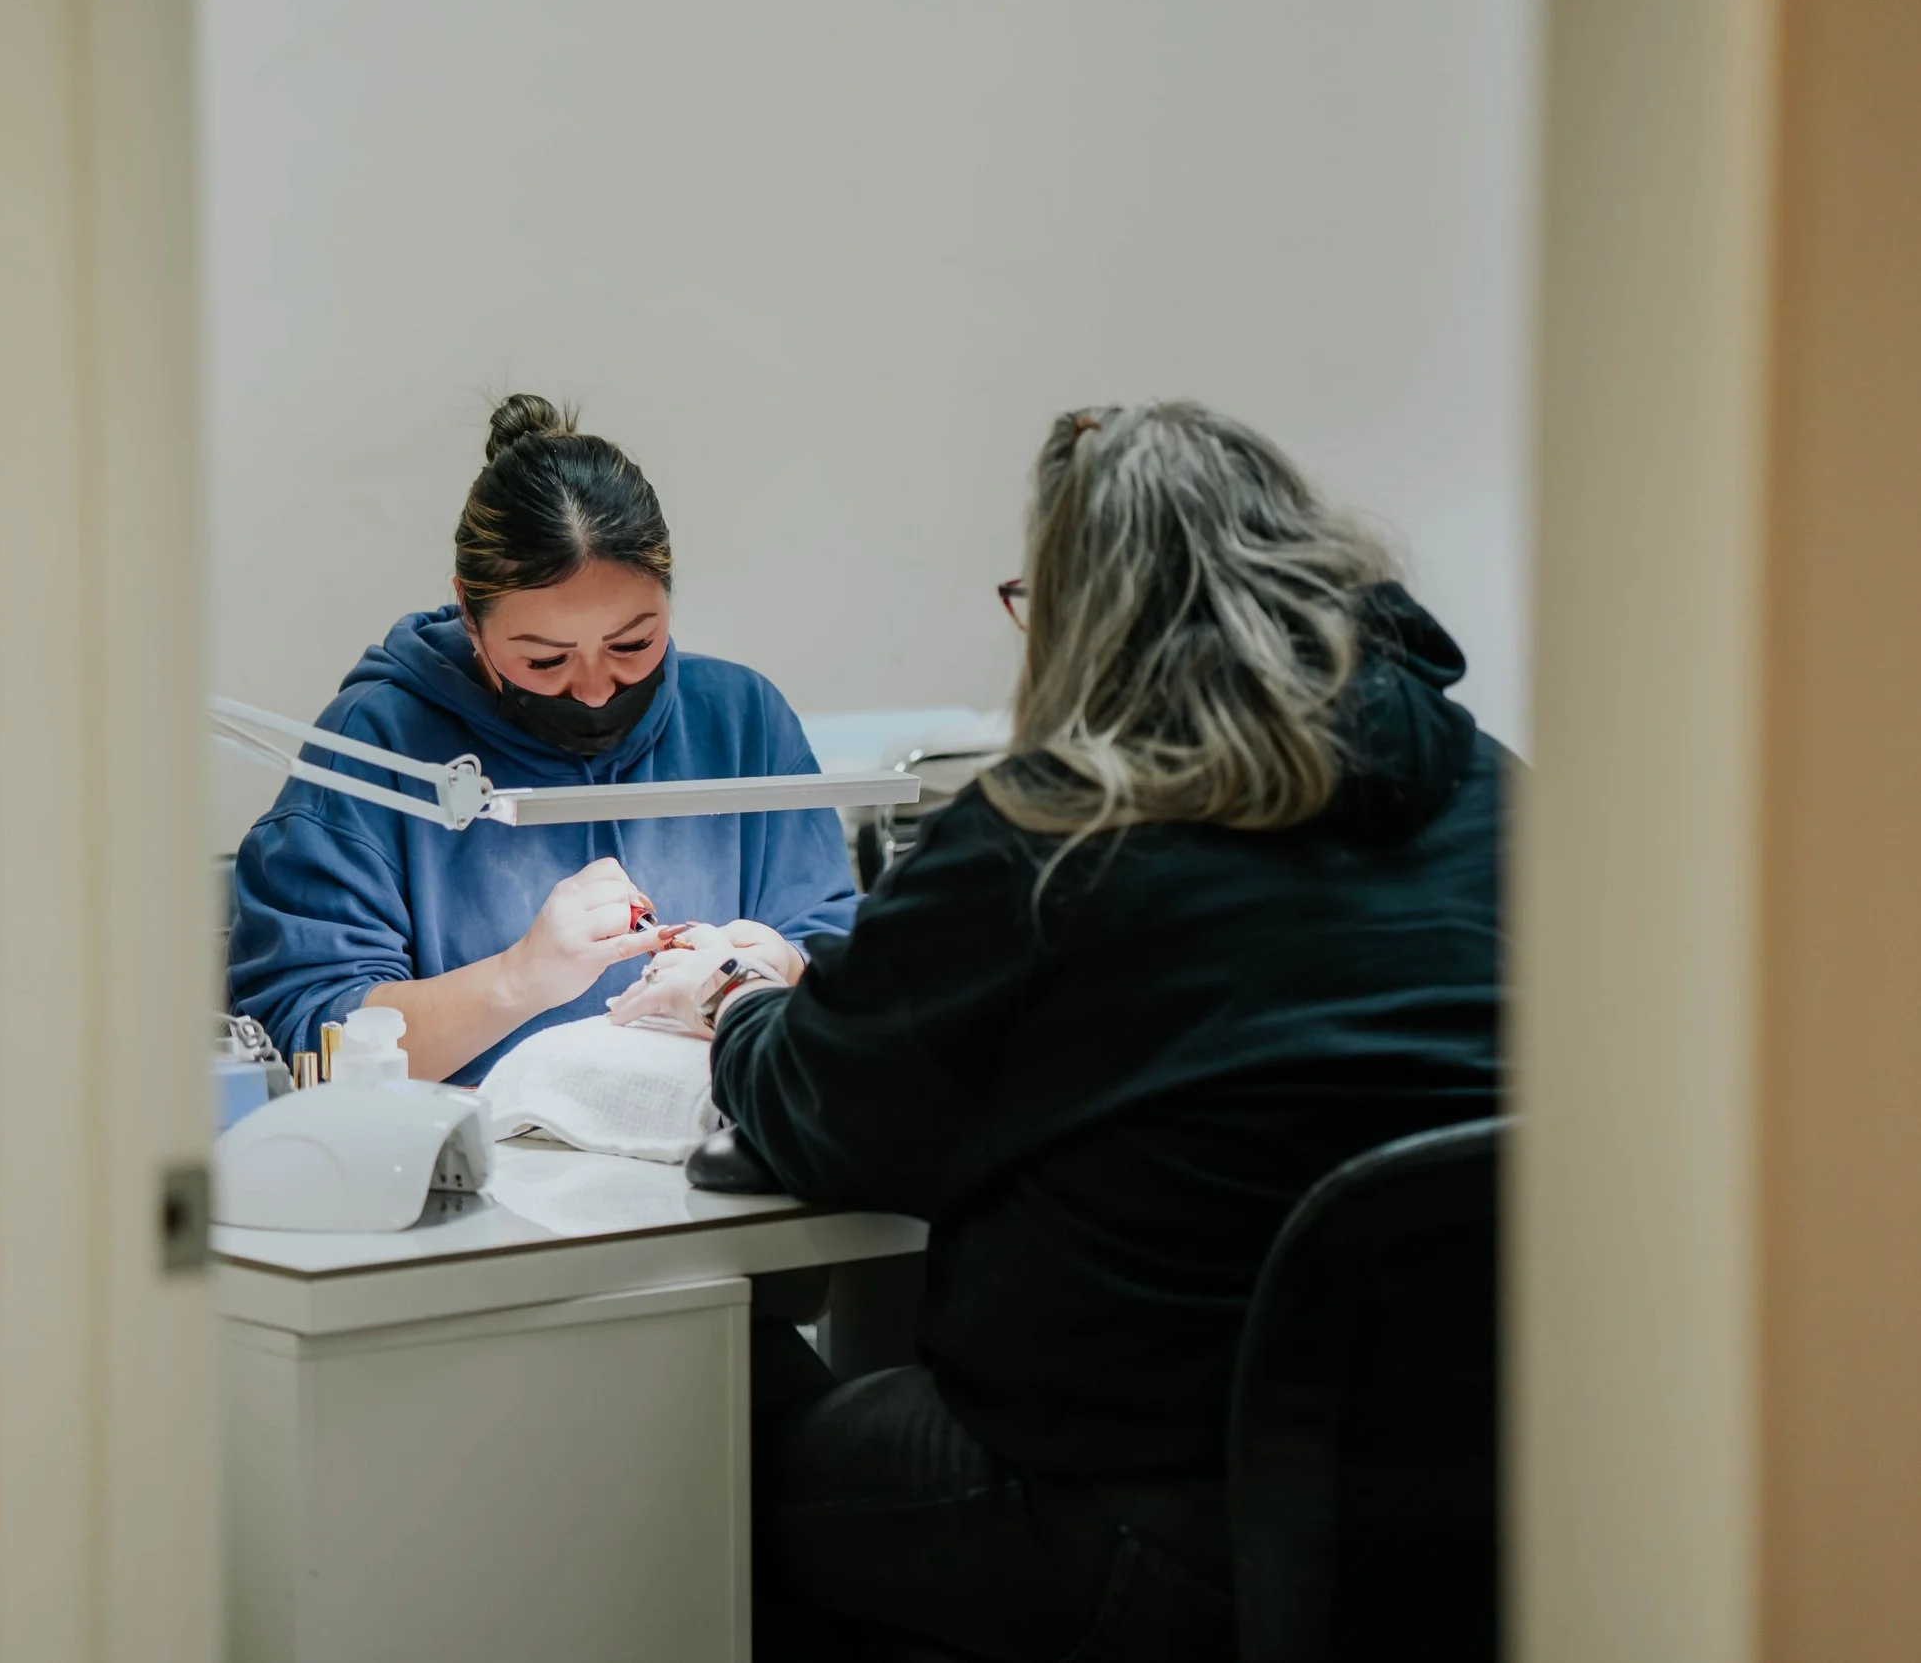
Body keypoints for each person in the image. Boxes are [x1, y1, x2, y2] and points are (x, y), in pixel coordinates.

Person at [609, 400, 1508, 1661]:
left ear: (1088, 619)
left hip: (1140, 1508)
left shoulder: (1053, 834)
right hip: (1494, 1507)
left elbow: (828, 1109)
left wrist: (738, 1000)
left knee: (702, 1440)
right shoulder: (1500, 800)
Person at [228, 393, 858, 1085]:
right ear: (471, 613)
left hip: (708, 1172)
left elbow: (852, 964)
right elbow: (303, 1041)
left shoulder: (740, 722)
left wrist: (777, 965)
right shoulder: (375, 747)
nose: (593, 688)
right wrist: (518, 979)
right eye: (546, 660)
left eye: (633, 642)